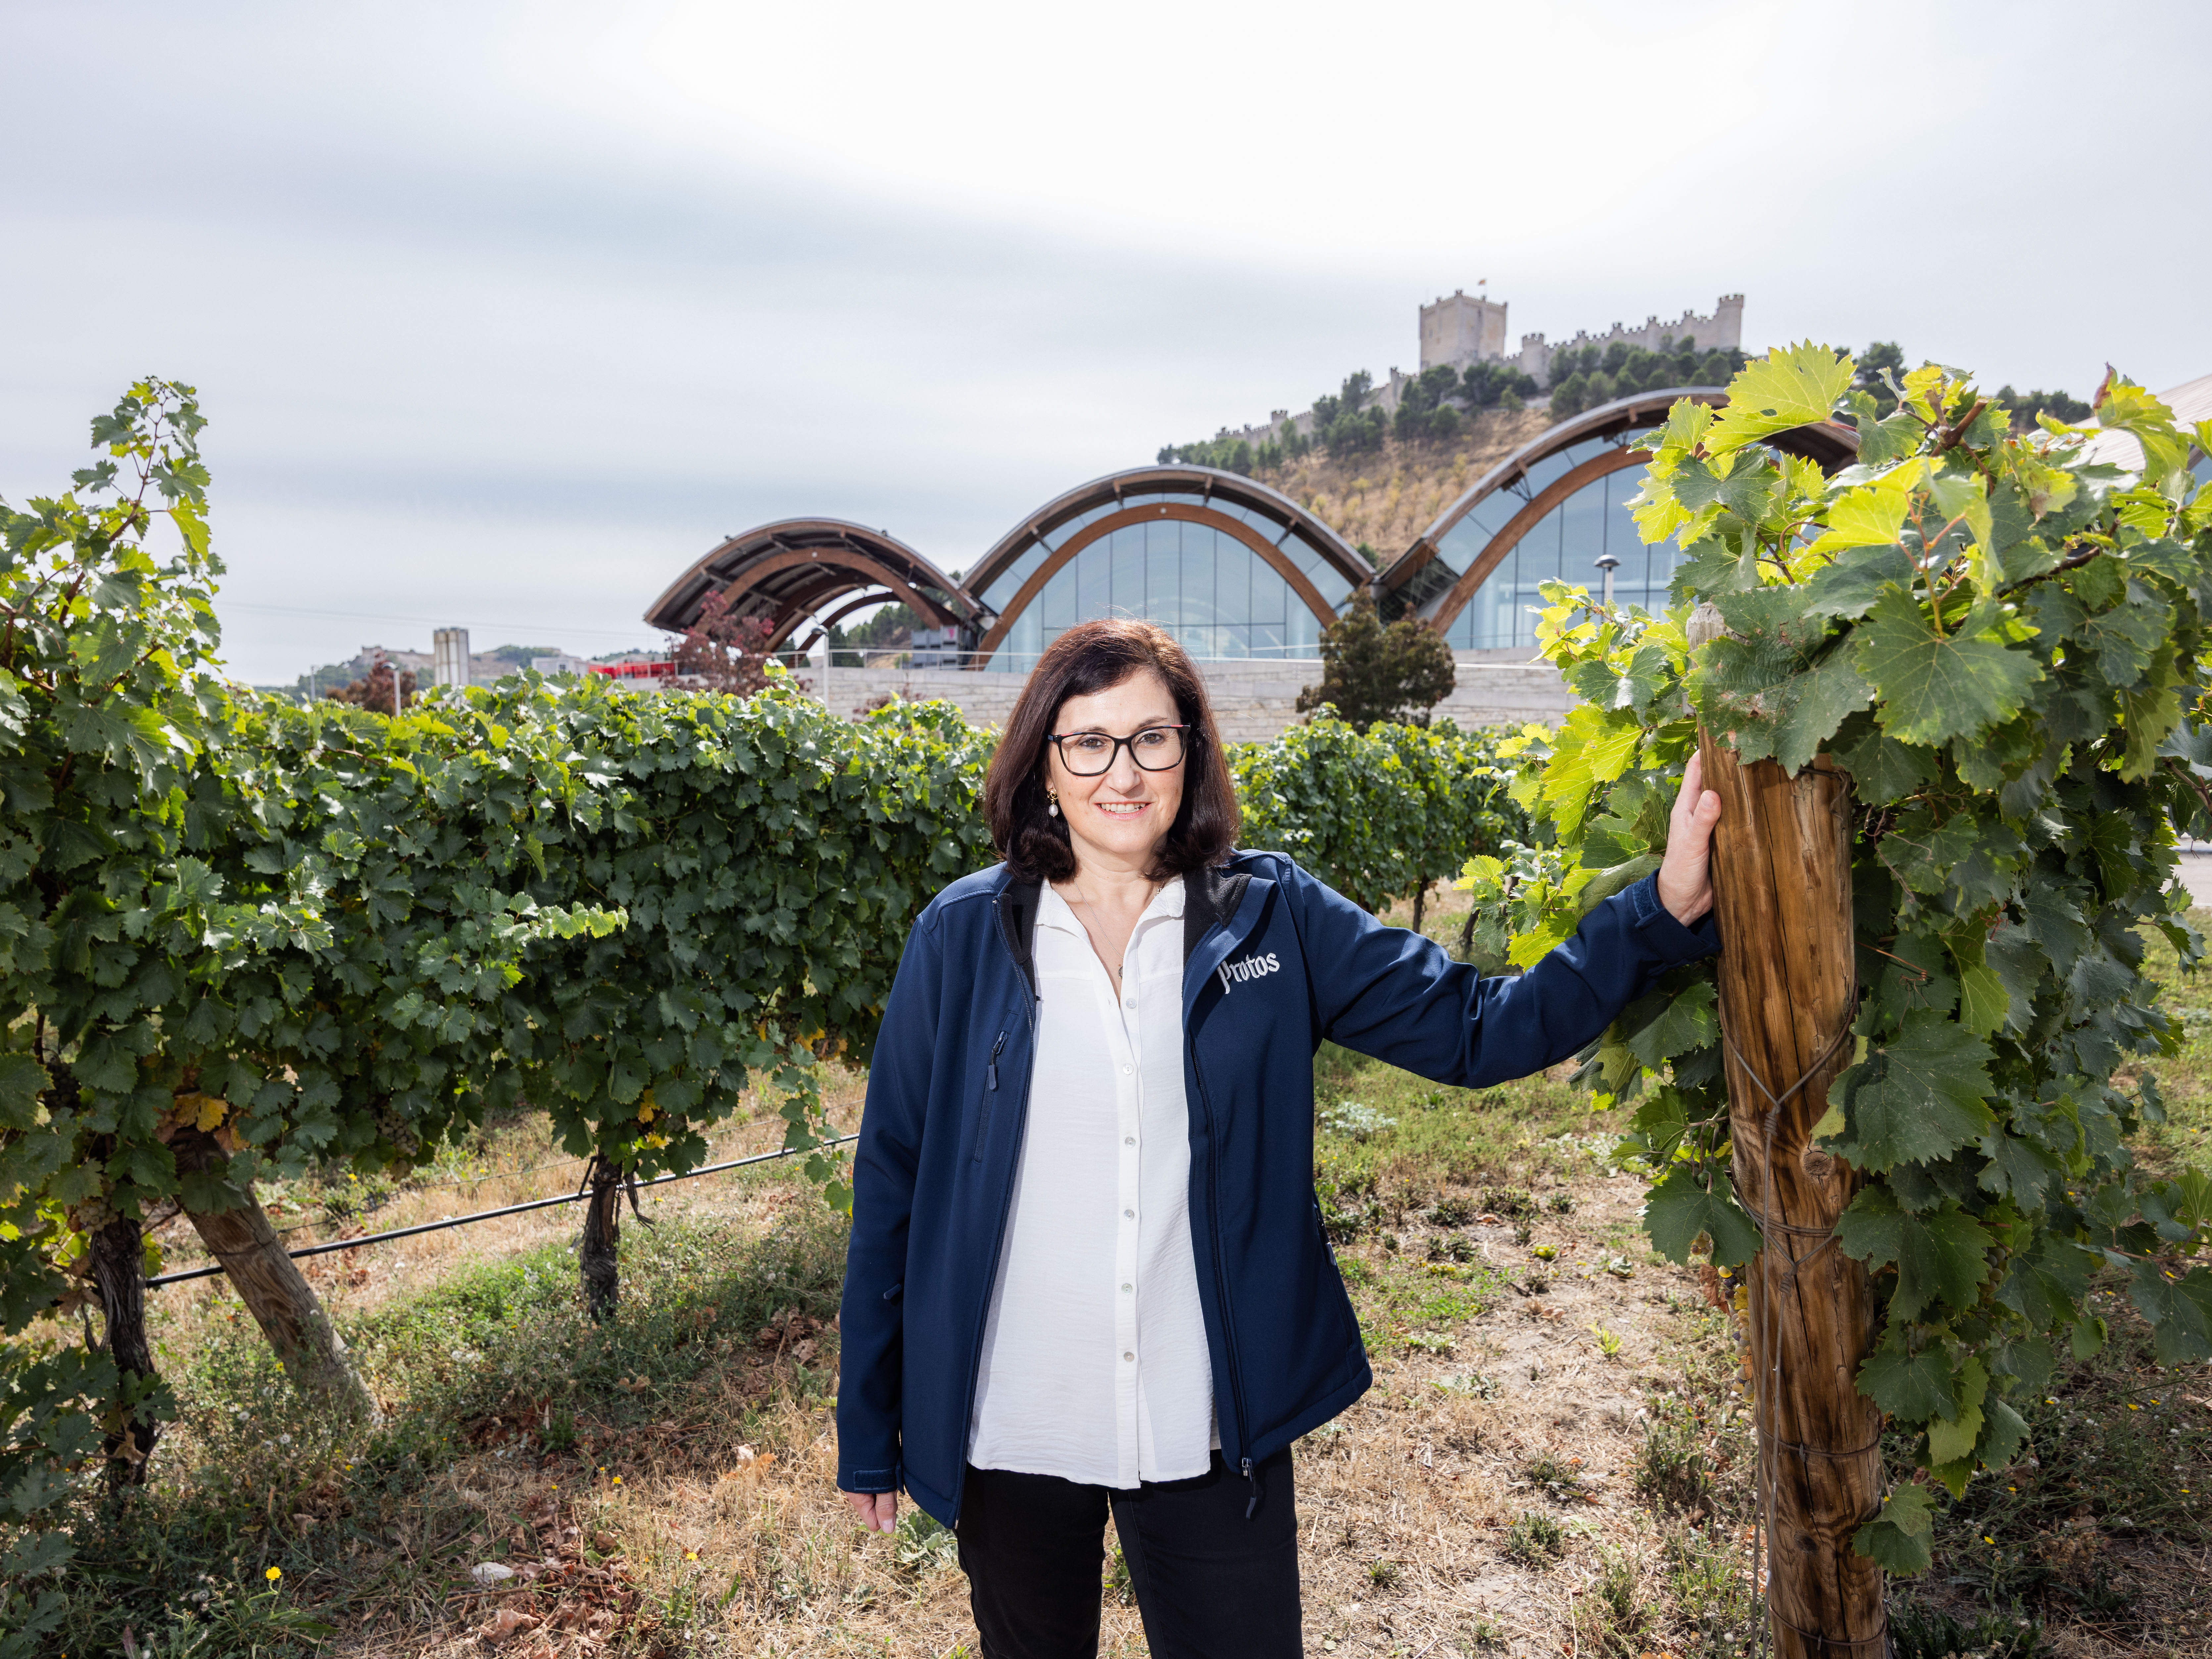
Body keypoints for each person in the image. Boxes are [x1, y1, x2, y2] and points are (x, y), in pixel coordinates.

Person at [836, 619, 1720, 1659]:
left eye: (1151, 739)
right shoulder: (964, 935)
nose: (1122, 771)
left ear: (1192, 753)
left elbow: (1479, 1029)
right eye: (1089, 741)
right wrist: (869, 1425)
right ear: (1043, 765)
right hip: (1014, 1415)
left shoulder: (1272, 917)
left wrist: (1657, 910)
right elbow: (891, 1179)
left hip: (1209, 1420)